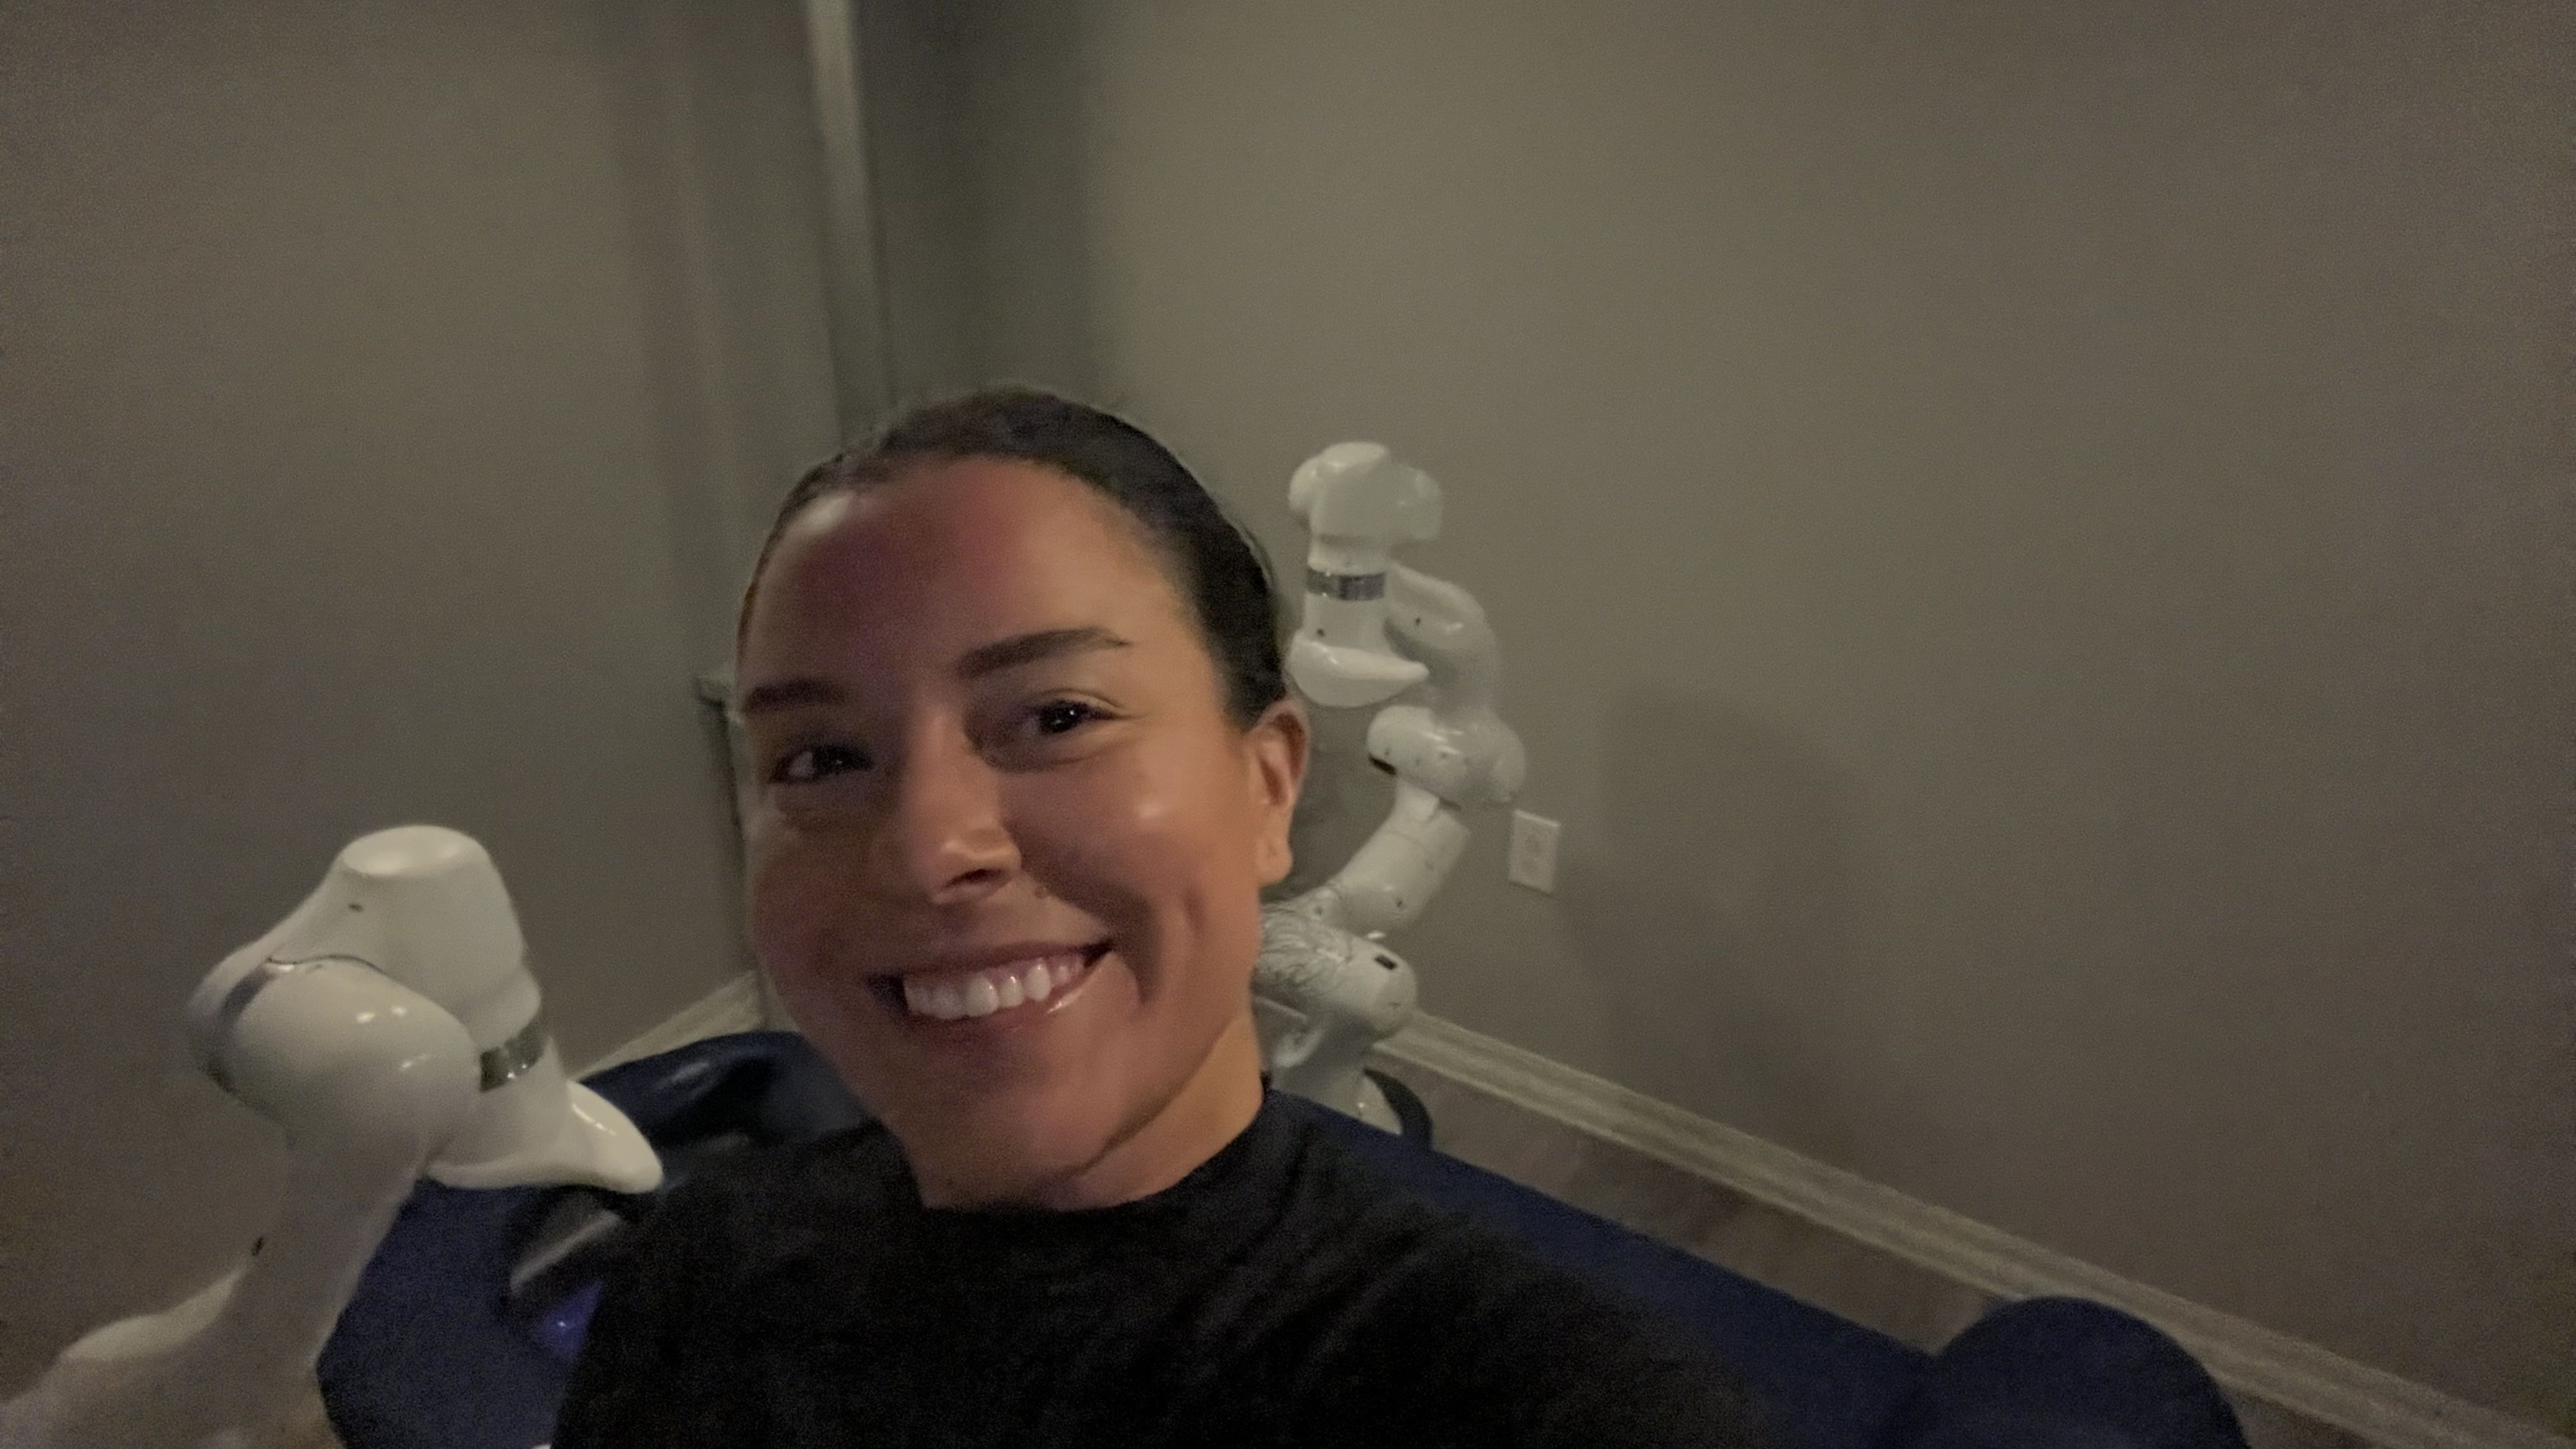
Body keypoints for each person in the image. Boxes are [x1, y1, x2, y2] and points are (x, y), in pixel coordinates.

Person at [552, 387, 1767, 1448]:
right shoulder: (703, 1272)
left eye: (1059, 716)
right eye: (820, 758)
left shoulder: (1541, 1399)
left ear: (1269, 782)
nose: (928, 853)